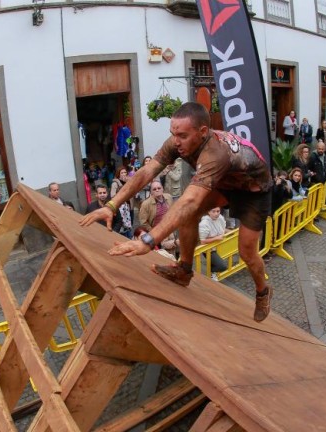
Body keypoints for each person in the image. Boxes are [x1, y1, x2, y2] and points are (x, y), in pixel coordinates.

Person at [80, 102, 274, 322]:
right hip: (225, 182)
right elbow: (146, 172)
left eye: (181, 135)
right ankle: (184, 270)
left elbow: (190, 200)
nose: (176, 141)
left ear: (202, 132)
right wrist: (111, 206)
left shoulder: (215, 153)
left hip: (253, 191)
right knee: (187, 214)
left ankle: (262, 291)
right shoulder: (177, 141)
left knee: (246, 251)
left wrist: (147, 241)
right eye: (173, 134)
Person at [199, 207, 229, 281]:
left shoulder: (220, 218)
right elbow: (202, 241)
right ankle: (212, 272)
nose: (216, 214)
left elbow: (223, 230)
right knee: (223, 266)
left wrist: (230, 232)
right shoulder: (204, 223)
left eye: (218, 211)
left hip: (220, 245)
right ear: (208, 212)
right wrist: (216, 238)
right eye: (213, 211)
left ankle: (213, 269)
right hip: (209, 249)